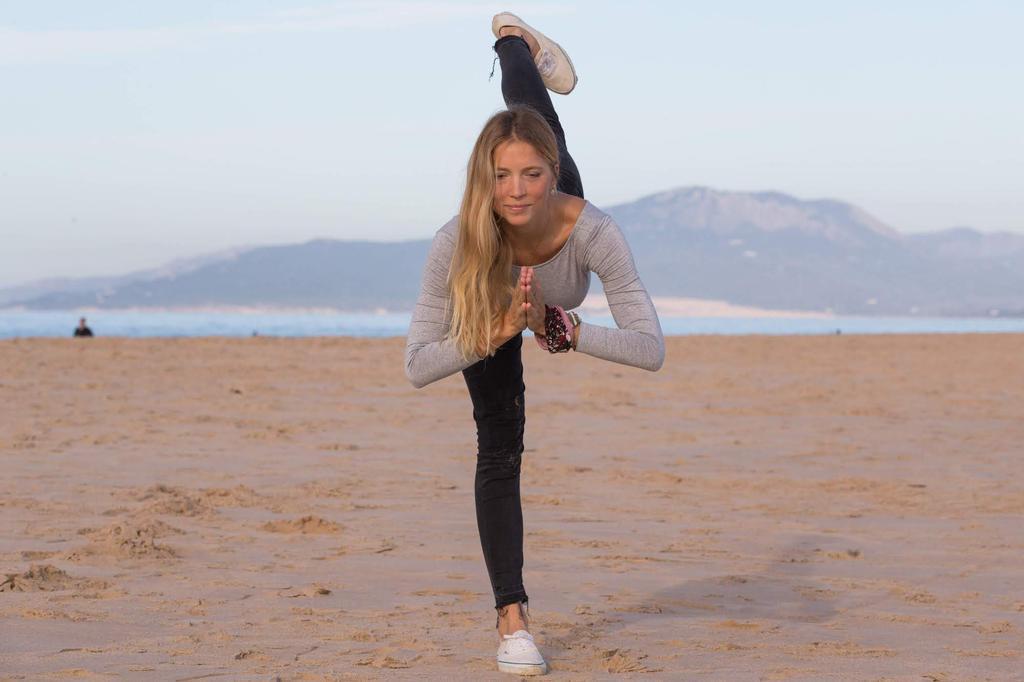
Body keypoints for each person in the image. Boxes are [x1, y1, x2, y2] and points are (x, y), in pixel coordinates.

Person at [404, 12, 664, 676]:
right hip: (490, 310)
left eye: (531, 175)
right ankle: (512, 620)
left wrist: (570, 331)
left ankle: (513, 41)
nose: (516, 191)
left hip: (552, 298)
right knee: (499, 446)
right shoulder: (457, 242)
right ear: (481, 180)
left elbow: (650, 347)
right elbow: (417, 365)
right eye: (500, 176)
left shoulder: (592, 229)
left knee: (532, 111)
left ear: (552, 176)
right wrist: (490, 334)